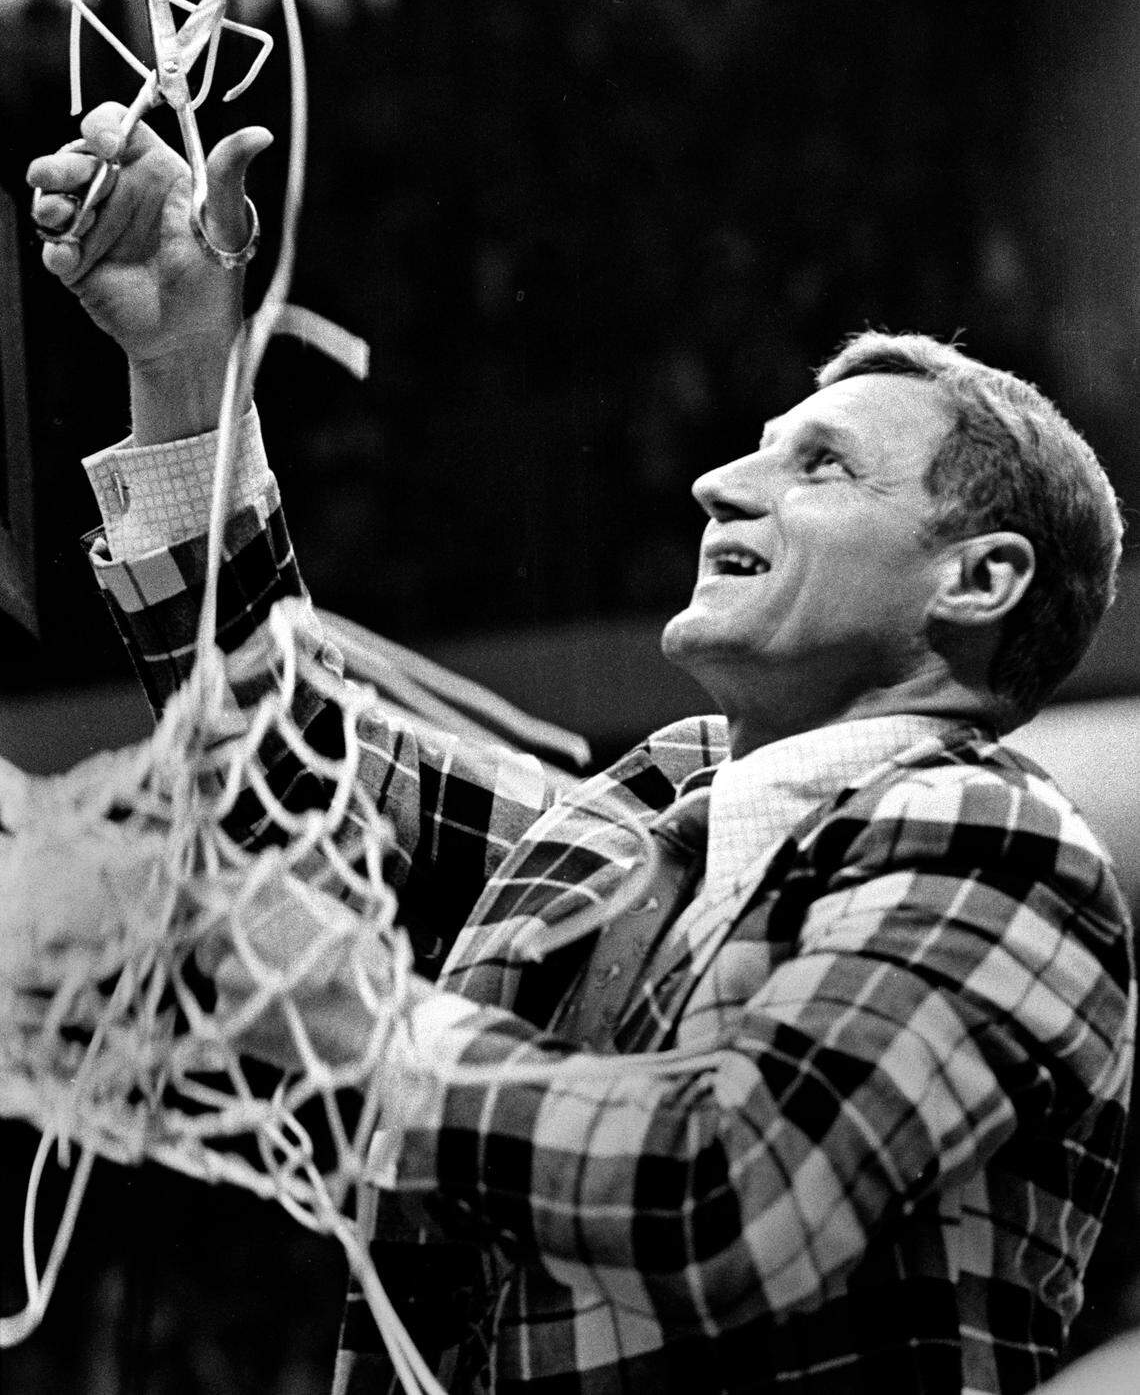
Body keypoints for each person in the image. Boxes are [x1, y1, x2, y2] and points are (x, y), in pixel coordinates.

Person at [26, 104, 1136, 1395]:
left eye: (823, 466)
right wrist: (184, 362)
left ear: (980, 577)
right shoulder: (654, 809)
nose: (719, 484)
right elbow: (297, 765)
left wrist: (369, 1025)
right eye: (756, 451)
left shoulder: (1002, 839)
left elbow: (729, 1198)